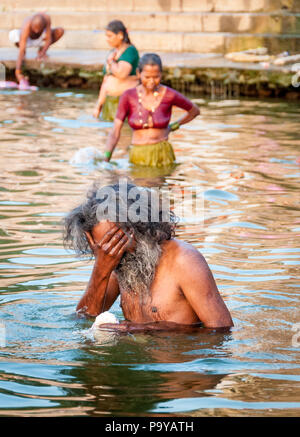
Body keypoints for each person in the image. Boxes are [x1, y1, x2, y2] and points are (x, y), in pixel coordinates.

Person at [63, 182, 233, 332]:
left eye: (114, 243)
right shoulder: (118, 264)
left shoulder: (185, 260)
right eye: (101, 249)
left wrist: (146, 329)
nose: (109, 253)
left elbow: (222, 331)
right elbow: (83, 321)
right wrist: (100, 269)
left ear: (139, 228)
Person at [103, 53, 200, 167]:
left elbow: (194, 111)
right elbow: (115, 132)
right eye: (147, 77)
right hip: (137, 154)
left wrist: (173, 127)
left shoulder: (169, 94)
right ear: (139, 74)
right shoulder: (128, 96)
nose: (152, 81)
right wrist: (106, 160)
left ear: (161, 75)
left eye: (156, 77)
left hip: (162, 154)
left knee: (160, 184)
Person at [93, 20, 139, 122]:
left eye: (110, 36)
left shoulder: (130, 51)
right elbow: (106, 81)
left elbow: (122, 73)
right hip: (109, 102)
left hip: (125, 102)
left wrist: (111, 62)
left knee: (124, 134)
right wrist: (98, 106)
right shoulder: (112, 52)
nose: (107, 39)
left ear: (120, 35)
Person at [9, 13, 64, 84]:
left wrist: (42, 53)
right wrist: (18, 71)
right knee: (12, 35)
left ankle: (40, 50)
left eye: (39, 29)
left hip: (40, 39)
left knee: (60, 31)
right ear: (31, 25)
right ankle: (26, 52)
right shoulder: (27, 24)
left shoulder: (46, 18)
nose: (37, 31)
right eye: (35, 28)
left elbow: (48, 39)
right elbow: (21, 50)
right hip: (27, 41)